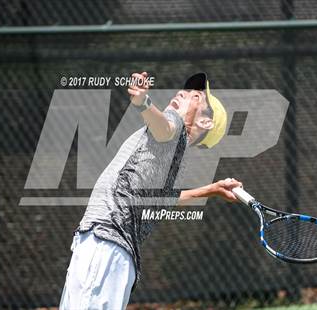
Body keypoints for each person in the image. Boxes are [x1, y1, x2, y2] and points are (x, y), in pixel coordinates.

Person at [59, 72, 243, 310]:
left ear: (205, 122)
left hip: (104, 243)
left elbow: (165, 127)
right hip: (116, 254)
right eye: (186, 90)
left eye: (195, 96)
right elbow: (163, 201)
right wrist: (210, 190)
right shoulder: (175, 158)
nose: (182, 93)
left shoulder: (175, 126)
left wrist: (143, 102)